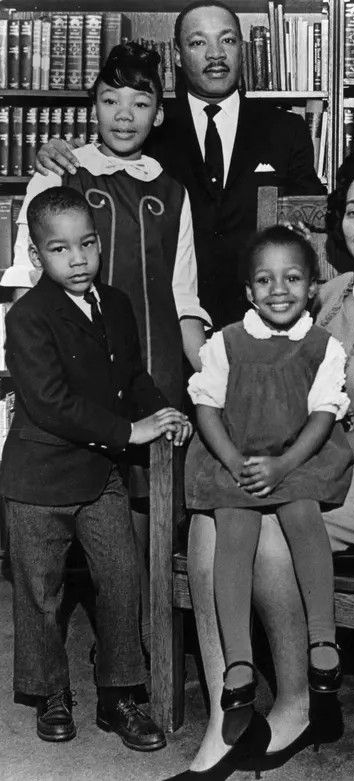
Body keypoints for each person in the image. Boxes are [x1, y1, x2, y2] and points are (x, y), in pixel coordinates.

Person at [169, 145, 354, 779]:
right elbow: (252, 351)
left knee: (268, 521)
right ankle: (231, 710)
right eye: (353, 211)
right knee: (210, 511)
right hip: (304, 459)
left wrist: (286, 453)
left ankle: (298, 701)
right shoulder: (327, 292)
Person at [2, 41, 211, 664]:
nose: (124, 114)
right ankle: (64, 652)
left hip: (150, 362)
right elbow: (23, 274)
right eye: (110, 99)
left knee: (139, 509)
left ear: (158, 114)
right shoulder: (59, 171)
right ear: (91, 104)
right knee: (63, 511)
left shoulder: (172, 191)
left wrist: (217, 379)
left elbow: (184, 293)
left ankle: (129, 642)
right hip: (71, 371)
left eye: (140, 102)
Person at [0, 186, 192, 750]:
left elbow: (130, 377)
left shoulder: (116, 303)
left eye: (88, 244)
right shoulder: (29, 317)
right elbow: (51, 402)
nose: (78, 258)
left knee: (120, 579)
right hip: (37, 481)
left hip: (99, 473)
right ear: (37, 256)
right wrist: (130, 431)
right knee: (40, 592)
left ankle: (119, 695)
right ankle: (50, 693)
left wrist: (159, 409)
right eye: (61, 249)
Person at [32, 1, 325, 328]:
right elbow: (103, 160)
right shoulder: (149, 125)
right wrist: (57, 151)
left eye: (226, 40)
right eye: (198, 42)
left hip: (261, 319)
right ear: (177, 54)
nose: (215, 54)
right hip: (167, 324)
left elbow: (312, 214)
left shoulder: (285, 129)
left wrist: (304, 231)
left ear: (242, 48)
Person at [185, 225, 352, 747]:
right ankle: (239, 662)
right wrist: (234, 460)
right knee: (234, 527)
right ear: (249, 292)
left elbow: (324, 417)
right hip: (236, 456)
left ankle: (323, 640)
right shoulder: (226, 342)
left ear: (312, 287)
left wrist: (283, 467)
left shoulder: (324, 347)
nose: (279, 290)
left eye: (293, 278)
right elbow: (206, 407)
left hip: (297, 455)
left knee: (302, 513)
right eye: (265, 279)